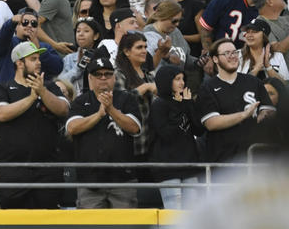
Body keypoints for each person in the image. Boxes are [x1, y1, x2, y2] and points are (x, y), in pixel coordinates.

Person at [0, 41, 70, 208]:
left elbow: (63, 109)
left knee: (48, 221)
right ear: (19, 63)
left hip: (47, 168)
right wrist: (31, 98)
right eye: (33, 59)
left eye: (38, 59)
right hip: (13, 170)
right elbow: (1, 114)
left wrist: (42, 92)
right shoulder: (2, 88)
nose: (39, 63)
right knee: (14, 221)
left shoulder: (50, 87)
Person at [65, 57, 140, 209]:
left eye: (108, 74)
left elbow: (134, 128)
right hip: (89, 181)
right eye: (98, 75)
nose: (103, 78)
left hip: (122, 179)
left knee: (126, 225)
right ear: (90, 79)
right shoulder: (80, 101)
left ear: (114, 77)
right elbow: (72, 128)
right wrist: (99, 114)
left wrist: (110, 109)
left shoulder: (127, 98)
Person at [197, 38, 276, 163]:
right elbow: (212, 123)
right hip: (223, 159)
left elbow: (268, 110)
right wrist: (244, 115)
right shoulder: (208, 87)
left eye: (235, 52)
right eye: (227, 53)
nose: (233, 56)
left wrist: (264, 115)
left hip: (254, 156)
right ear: (215, 59)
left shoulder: (253, 82)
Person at [148, 64, 201, 210]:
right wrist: (180, 107)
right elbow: (166, 133)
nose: (182, 83)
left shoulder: (185, 102)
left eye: (183, 79)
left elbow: (199, 129)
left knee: (193, 211)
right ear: (167, 81)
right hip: (167, 165)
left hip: (189, 163)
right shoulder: (158, 104)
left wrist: (189, 104)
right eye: (177, 79)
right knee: (173, 212)